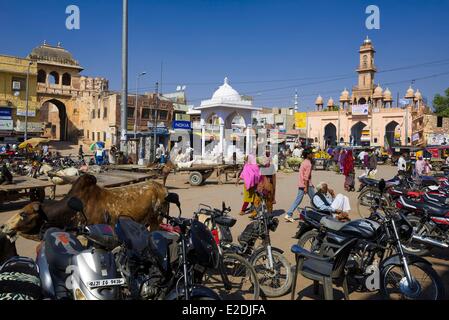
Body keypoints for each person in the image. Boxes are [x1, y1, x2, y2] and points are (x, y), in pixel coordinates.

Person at [285, 149, 315, 223]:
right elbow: (306, 177)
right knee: (315, 200)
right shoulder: (308, 164)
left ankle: (289, 214)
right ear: (308, 155)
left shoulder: (304, 162)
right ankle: (318, 214)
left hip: (302, 184)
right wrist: (306, 187)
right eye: (311, 153)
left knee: (298, 200)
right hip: (306, 185)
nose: (312, 155)